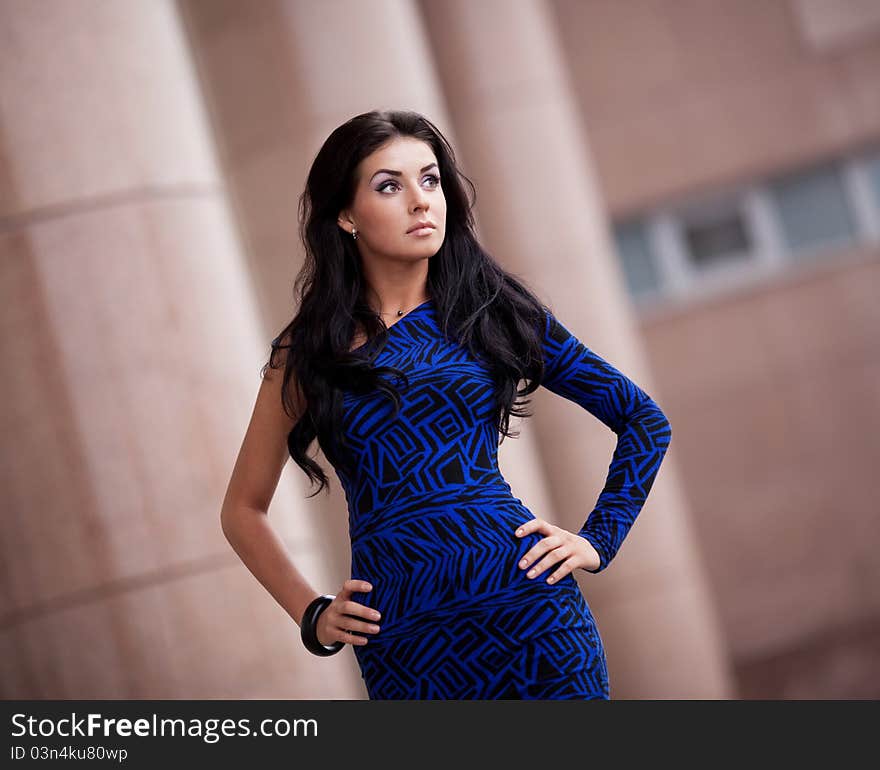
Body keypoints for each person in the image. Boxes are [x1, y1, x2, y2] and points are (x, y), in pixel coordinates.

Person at [220, 109, 672, 700]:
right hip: (404, 642)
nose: (421, 202)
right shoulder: (309, 351)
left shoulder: (493, 309)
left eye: (430, 180)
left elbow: (643, 420)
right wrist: (312, 615)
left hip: (531, 617)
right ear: (346, 215)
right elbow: (242, 510)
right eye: (390, 185)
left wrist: (595, 540)